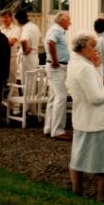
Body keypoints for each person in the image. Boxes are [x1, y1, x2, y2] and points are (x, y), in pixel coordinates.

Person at [66, 33, 104, 205]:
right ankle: (102, 198)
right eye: (92, 47)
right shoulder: (84, 67)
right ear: (82, 48)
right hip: (96, 121)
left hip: (82, 118)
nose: (95, 50)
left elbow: (93, 84)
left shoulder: (76, 63)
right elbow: (96, 96)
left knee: (78, 158)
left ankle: (77, 192)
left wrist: (98, 66)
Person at [44, 11, 71, 140]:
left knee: (53, 97)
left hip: (57, 66)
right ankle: (58, 130)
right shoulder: (56, 30)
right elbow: (51, 43)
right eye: (69, 20)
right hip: (57, 66)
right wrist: (55, 60)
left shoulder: (57, 30)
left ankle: (49, 128)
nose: (70, 23)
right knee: (61, 97)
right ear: (63, 20)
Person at [0, 9, 21, 112]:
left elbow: (12, 42)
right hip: (1, 58)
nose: (4, 19)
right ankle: (2, 105)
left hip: (12, 57)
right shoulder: (0, 29)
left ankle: (16, 106)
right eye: (3, 17)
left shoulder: (16, 29)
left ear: (11, 17)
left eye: (6, 17)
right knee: (0, 82)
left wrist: (0, 44)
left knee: (12, 81)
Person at [16, 9, 41, 78]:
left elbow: (23, 40)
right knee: (33, 79)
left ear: (18, 20)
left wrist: (24, 50)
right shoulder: (34, 27)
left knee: (25, 81)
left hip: (27, 58)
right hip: (35, 55)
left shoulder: (26, 28)